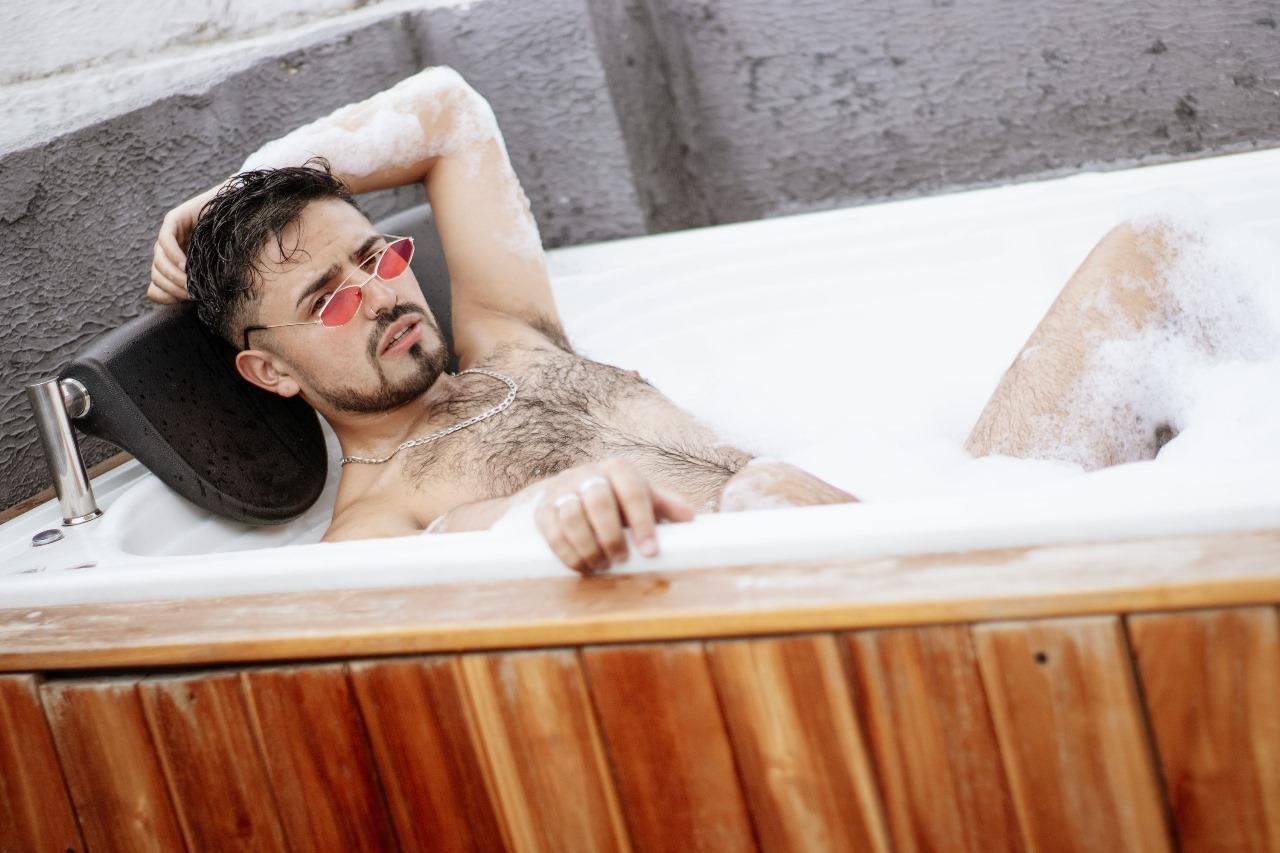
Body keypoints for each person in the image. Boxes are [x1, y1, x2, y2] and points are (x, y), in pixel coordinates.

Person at [147, 67, 1179, 572]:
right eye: (328, 297)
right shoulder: (376, 522)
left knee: (1150, 248)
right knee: (763, 494)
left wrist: (243, 186)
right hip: (835, 606)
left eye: (377, 255)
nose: (381, 294)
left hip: (937, 522)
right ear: (271, 371)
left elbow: (451, 108)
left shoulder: (508, 338)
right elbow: (480, 553)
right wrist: (560, 510)